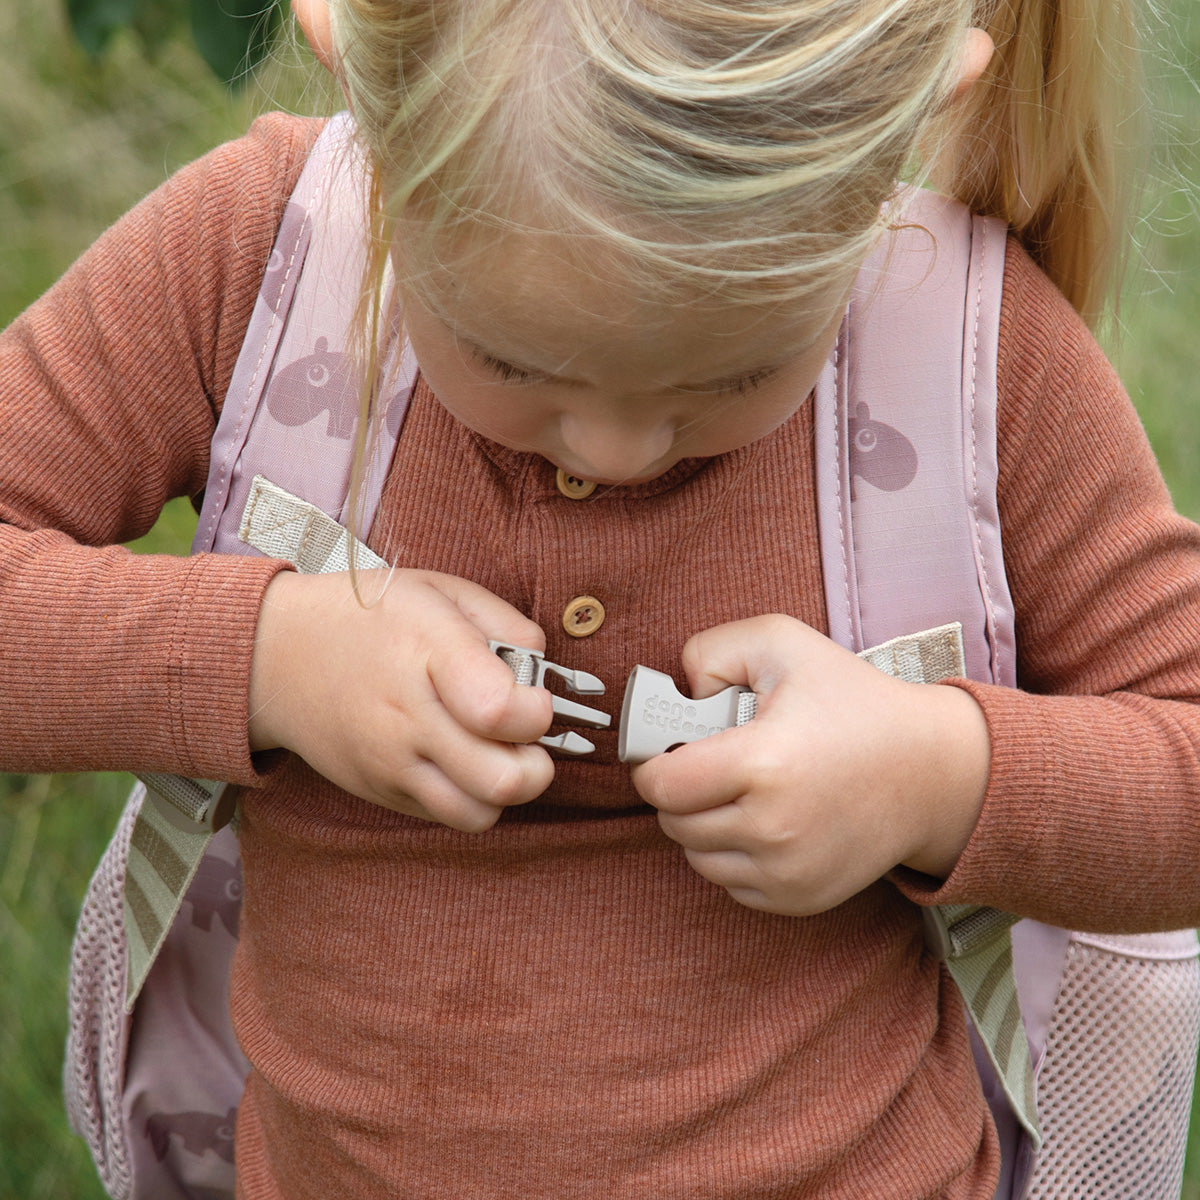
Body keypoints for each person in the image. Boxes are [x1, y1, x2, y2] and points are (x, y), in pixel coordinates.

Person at [3, 0, 1198, 1195]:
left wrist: (935, 778)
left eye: (734, 371)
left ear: (893, 140)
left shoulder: (962, 354)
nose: (621, 448)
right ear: (368, 78)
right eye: (515, 359)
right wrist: (270, 660)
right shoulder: (262, 265)